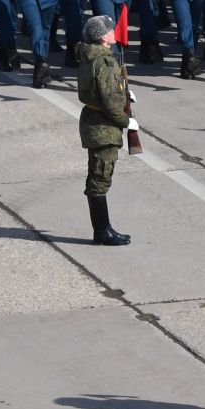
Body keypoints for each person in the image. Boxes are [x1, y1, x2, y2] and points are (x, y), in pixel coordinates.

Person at [76, 14, 133, 246]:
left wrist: (125, 94)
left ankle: (103, 229)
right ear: (102, 37)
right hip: (104, 127)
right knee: (99, 179)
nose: (113, 32)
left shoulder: (89, 58)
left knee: (97, 176)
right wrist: (126, 121)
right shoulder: (106, 62)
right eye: (110, 29)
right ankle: (102, 231)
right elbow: (110, 101)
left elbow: (103, 91)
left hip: (93, 121)